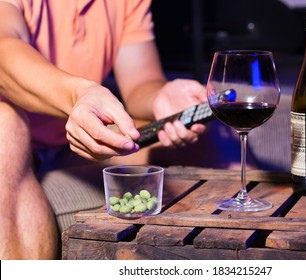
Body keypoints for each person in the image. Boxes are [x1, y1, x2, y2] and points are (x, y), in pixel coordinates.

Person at [0, 0, 214, 259]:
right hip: (14, 143)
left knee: (205, 142)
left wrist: (161, 96)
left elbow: (140, 83)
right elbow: (4, 51)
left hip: (72, 145)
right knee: (6, 123)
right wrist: (79, 95)